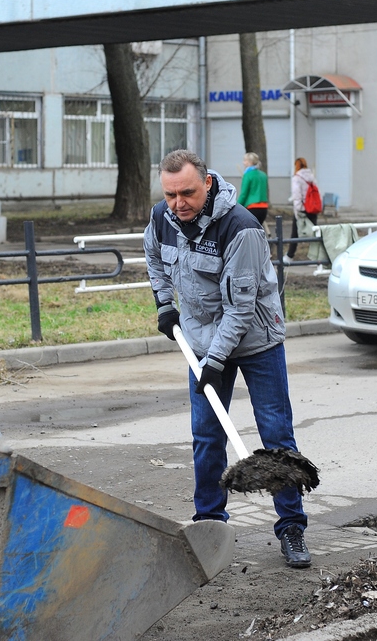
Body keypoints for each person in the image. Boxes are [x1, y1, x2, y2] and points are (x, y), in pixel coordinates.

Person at [143, 149, 311, 568]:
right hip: (200, 340)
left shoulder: (241, 228)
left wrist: (215, 361)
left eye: (187, 193)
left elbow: (240, 308)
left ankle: (291, 526)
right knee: (206, 436)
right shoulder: (161, 219)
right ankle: (209, 523)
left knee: (276, 435)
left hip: (256, 340)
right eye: (170, 194)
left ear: (208, 183)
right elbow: (154, 261)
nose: (178, 203)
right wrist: (165, 304)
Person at [286, 157, 318, 265]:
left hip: (302, 209)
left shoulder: (297, 178)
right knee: (313, 233)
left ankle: (290, 256)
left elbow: (297, 195)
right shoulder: (311, 176)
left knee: (295, 233)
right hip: (312, 208)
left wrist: (298, 209)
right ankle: (314, 258)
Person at [237, 152, 270, 226]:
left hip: (251, 207)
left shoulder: (247, 175)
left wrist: (237, 206)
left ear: (250, 162)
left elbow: (244, 194)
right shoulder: (263, 175)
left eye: (245, 161)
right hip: (264, 208)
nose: (243, 163)